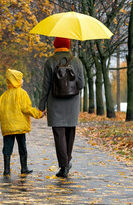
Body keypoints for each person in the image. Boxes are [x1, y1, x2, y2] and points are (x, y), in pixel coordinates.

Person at [39, 37, 85, 178]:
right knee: (70, 132)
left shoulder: (50, 61)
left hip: (55, 102)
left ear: (55, 45)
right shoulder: (76, 61)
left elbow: (46, 86)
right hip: (72, 103)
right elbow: (82, 84)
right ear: (68, 45)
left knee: (59, 134)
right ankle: (67, 160)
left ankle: (64, 165)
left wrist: (42, 105)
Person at [0, 69, 43, 176]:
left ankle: (7, 170)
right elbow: (26, 109)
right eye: (21, 78)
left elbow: (2, 112)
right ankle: (24, 168)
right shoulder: (22, 93)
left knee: (7, 148)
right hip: (19, 126)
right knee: (22, 147)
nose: (22, 80)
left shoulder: (3, 96)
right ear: (16, 80)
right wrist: (38, 114)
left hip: (8, 127)